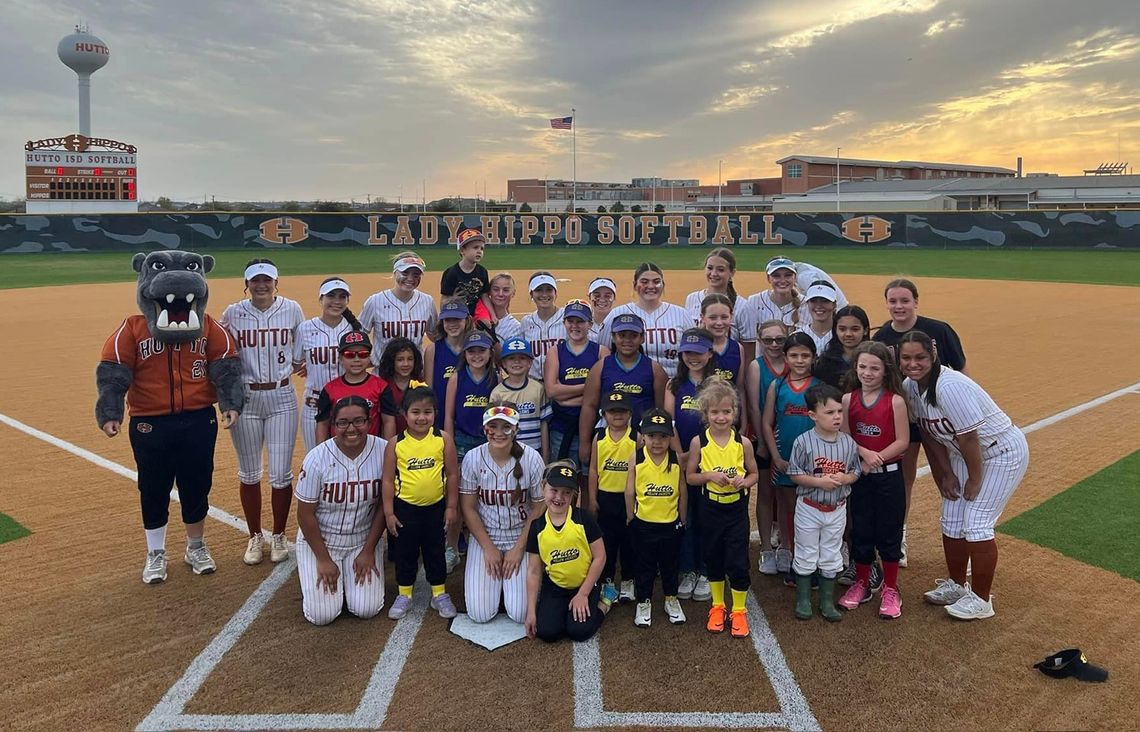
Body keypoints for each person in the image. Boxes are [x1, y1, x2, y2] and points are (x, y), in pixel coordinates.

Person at [96, 251, 242, 584]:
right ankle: (156, 553)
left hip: (198, 419)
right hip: (150, 421)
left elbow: (226, 367)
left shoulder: (208, 326)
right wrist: (110, 411)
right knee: (153, 487)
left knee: (196, 485)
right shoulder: (132, 329)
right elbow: (114, 372)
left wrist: (230, 403)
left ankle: (195, 546)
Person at [899, 331, 1028, 620]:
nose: (913, 363)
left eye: (919, 357)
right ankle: (957, 585)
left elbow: (970, 437)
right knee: (952, 518)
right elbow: (929, 436)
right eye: (906, 358)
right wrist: (944, 474)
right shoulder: (910, 387)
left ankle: (982, 601)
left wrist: (974, 479)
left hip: (999, 451)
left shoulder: (950, 386)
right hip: (961, 454)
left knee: (977, 521)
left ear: (932, 354)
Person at [873, 278, 969, 568]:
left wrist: (961, 409)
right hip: (906, 419)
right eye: (893, 301)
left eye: (905, 300)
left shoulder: (938, 330)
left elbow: (961, 370)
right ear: (887, 303)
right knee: (905, 477)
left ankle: (962, 537)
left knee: (949, 475)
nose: (899, 306)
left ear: (916, 301)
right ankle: (899, 535)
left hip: (941, 418)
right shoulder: (882, 337)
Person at [220, 259, 305, 566]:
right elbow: (222, 356)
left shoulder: (292, 309)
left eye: (266, 280)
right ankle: (255, 535)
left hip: (282, 396)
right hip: (247, 398)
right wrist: (226, 399)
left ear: (275, 282)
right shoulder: (233, 313)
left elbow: (303, 349)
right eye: (255, 281)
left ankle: (279, 534)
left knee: (281, 472)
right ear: (247, 284)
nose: (261, 285)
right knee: (249, 472)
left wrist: (303, 363)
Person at [294, 396, 387, 625]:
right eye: (343, 423)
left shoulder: (385, 450)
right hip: (322, 541)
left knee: (367, 608)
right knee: (322, 616)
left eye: (359, 421)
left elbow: (385, 506)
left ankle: (348, 584)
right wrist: (324, 559)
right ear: (334, 424)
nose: (351, 429)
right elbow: (304, 514)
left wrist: (368, 551)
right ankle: (325, 577)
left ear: (369, 421)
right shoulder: (317, 458)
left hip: (362, 540)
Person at [838, 342, 909, 619]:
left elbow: (902, 441)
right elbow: (845, 436)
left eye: (874, 368)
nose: (868, 373)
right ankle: (862, 583)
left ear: (885, 371)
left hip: (888, 477)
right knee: (862, 530)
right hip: (861, 476)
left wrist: (877, 457)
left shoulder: (895, 400)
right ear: (855, 368)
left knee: (889, 532)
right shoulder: (848, 400)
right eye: (863, 367)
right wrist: (864, 453)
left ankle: (891, 589)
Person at [460, 404, 546, 624]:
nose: (499, 432)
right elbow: (468, 507)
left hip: (521, 535)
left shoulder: (532, 458)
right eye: (493, 426)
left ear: (516, 429)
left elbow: (539, 506)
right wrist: (488, 549)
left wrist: (519, 549)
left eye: (506, 427)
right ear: (484, 428)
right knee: (480, 614)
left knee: (518, 614)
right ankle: (496, 587)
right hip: (485, 537)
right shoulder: (472, 458)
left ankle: (506, 588)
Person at [686, 379, 759, 638]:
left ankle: (738, 610)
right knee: (714, 557)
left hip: (736, 509)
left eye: (727, 411)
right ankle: (718, 606)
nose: (721, 417)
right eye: (715, 412)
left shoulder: (743, 443)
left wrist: (744, 481)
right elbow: (690, 477)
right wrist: (708, 476)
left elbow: (754, 474)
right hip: (710, 507)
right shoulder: (699, 443)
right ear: (706, 414)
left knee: (738, 562)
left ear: (734, 413)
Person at [382, 384, 459, 620]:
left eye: (427, 412)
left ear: (435, 413)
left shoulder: (442, 439)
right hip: (405, 508)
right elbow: (386, 480)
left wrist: (451, 507)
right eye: (415, 412)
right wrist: (389, 513)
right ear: (404, 414)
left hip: (435, 508)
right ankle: (404, 593)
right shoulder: (396, 443)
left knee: (435, 550)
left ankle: (439, 592)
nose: (422, 417)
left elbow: (453, 474)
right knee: (406, 553)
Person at [786, 385, 861, 622]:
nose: (837, 416)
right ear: (812, 415)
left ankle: (827, 602)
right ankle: (804, 599)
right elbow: (794, 474)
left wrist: (845, 478)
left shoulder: (848, 443)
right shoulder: (803, 441)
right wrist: (819, 482)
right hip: (809, 506)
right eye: (829, 412)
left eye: (839, 411)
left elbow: (855, 472)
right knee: (806, 552)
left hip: (837, 509)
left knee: (831, 553)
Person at [525, 461, 616, 642]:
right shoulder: (537, 527)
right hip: (556, 586)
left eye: (566, 492)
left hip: (585, 584)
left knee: (579, 632)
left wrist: (582, 594)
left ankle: (604, 603)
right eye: (554, 490)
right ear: (543, 488)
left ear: (574, 495)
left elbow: (600, 557)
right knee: (547, 633)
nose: (559, 497)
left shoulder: (584, 519)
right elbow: (534, 571)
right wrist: (531, 611)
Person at [664, 328, 716, 602]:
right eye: (688, 353)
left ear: (710, 353)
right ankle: (688, 569)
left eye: (698, 352)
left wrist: (698, 457)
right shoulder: (674, 384)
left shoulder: (718, 384)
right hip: (682, 459)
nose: (693, 358)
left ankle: (706, 569)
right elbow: (669, 422)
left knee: (707, 515)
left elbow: (721, 423)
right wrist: (681, 455)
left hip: (710, 461)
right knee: (685, 515)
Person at [578, 313, 666, 466]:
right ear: (613, 337)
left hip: (643, 442)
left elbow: (661, 410)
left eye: (633, 335)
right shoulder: (601, 367)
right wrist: (585, 443)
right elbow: (589, 407)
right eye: (622, 335)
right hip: (609, 441)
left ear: (642, 338)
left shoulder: (654, 369)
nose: (627, 340)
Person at [626, 409, 687, 627]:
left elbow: (682, 490)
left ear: (670, 437)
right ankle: (644, 601)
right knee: (645, 566)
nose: (657, 442)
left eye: (663, 436)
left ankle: (671, 598)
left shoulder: (676, 458)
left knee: (670, 565)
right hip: (644, 523)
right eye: (652, 436)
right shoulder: (637, 457)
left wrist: (683, 517)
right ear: (643, 436)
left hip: (670, 524)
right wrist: (630, 516)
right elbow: (629, 490)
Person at [745, 320, 789, 576]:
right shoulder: (756, 366)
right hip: (763, 437)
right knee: (765, 493)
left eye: (779, 339)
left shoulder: (794, 362)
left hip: (787, 438)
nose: (773, 344)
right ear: (760, 341)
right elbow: (754, 407)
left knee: (784, 495)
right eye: (768, 340)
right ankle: (765, 548)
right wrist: (762, 441)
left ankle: (784, 545)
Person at [295, 277, 358, 453]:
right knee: (315, 457)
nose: (337, 301)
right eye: (331, 296)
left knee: (347, 456)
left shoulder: (354, 329)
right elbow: (295, 361)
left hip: (348, 405)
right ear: (321, 299)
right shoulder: (305, 328)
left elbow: (365, 361)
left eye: (342, 296)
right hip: (313, 405)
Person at [586, 391, 638, 603]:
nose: (617, 415)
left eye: (622, 411)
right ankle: (607, 581)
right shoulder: (599, 437)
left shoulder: (637, 437)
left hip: (628, 498)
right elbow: (593, 470)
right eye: (612, 411)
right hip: (606, 498)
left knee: (629, 542)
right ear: (604, 414)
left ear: (630, 413)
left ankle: (628, 580)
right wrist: (592, 498)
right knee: (607, 543)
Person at [597, 263, 691, 379]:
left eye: (656, 281)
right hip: (631, 385)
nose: (651, 286)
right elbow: (603, 349)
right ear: (635, 285)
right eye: (644, 282)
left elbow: (693, 351)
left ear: (663, 285)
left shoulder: (681, 314)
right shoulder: (617, 314)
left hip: (675, 384)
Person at [544, 299, 605, 464]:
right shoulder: (556, 351)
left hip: (592, 427)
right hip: (561, 427)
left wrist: (565, 398)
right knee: (561, 475)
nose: (575, 326)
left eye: (580, 321)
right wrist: (588, 389)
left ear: (590, 324)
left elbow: (602, 392)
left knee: (588, 476)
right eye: (570, 321)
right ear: (564, 322)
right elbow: (551, 391)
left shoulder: (601, 351)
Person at [314, 330, 397, 443]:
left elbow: (388, 421)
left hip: (371, 449)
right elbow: (323, 424)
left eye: (363, 354)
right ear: (341, 358)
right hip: (338, 449)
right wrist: (321, 452)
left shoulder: (381, 387)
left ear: (369, 357)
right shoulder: (330, 389)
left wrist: (387, 449)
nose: (357, 359)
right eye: (350, 355)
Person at [359, 251, 437, 360]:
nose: (410, 279)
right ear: (395, 272)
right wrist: (371, 358)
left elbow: (435, 335)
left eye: (416, 275)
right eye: (405, 273)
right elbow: (358, 335)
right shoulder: (375, 301)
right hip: (383, 372)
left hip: (415, 371)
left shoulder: (427, 301)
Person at [684, 247, 755, 365]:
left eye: (720, 270)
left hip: (729, 367)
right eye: (710, 268)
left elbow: (749, 351)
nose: (714, 274)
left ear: (732, 273)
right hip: (697, 365)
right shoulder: (692, 298)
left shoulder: (743, 305)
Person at [491, 337, 552, 456]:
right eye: (511, 358)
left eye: (522, 358)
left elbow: (544, 424)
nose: (517, 362)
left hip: (535, 451)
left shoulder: (538, 388)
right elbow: (494, 428)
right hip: (507, 452)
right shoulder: (497, 393)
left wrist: (545, 456)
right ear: (503, 363)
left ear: (530, 362)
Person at [444, 330, 499, 462]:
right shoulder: (456, 378)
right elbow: (449, 416)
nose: (476, 356)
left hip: (487, 438)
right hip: (462, 440)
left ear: (490, 353)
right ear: (464, 354)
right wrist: (450, 445)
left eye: (481, 350)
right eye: (471, 351)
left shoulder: (497, 378)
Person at [424, 299, 471, 430]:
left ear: (467, 320)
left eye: (457, 319)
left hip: (467, 417)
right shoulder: (433, 349)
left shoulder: (474, 350)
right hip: (441, 417)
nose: (452, 324)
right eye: (447, 320)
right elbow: (429, 390)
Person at [700, 293, 747, 426]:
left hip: (727, 418)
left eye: (724, 317)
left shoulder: (737, 348)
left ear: (731, 317)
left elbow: (740, 388)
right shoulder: (697, 348)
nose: (719, 323)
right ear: (703, 318)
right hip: (702, 416)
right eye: (713, 317)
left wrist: (743, 423)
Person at [812, 305, 870, 390]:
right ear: (835, 330)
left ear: (865, 330)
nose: (848, 334)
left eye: (855, 329)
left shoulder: (875, 359)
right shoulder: (825, 361)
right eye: (842, 329)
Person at [521, 271, 565, 380]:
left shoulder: (567, 318)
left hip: (562, 384)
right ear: (531, 294)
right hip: (534, 384)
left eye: (549, 290)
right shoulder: (526, 322)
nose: (544, 294)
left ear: (555, 293)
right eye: (539, 290)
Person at [377, 336, 425, 436]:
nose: (406, 364)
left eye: (410, 359)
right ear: (391, 361)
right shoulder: (383, 386)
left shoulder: (421, 384)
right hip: (392, 440)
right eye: (400, 360)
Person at [441, 228, 492, 317]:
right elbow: (444, 299)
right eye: (475, 247)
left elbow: (484, 296)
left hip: (477, 311)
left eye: (482, 248)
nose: (479, 251)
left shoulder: (482, 272)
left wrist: (493, 315)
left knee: (486, 324)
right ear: (462, 250)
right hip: (457, 309)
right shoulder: (451, 273)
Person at [797, 281, 839, 355]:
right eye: (813, 301)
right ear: (807, 304)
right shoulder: (797, 336)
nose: (819, 305)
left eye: (825, 301)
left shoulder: (843, 336)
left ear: (834, 305)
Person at [486, 272, 523, 343]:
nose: (500, 294)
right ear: (489, 291)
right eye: (496, 289)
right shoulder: (478, 317)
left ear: (513, 293)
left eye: (506, 290)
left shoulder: (515, 327)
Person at [587, 277, 617, 343]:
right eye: (597, 295)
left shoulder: (620, 323)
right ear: (589, 297)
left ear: (614, 298)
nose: (602, 299)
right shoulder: (581, 323)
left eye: (607, 296)